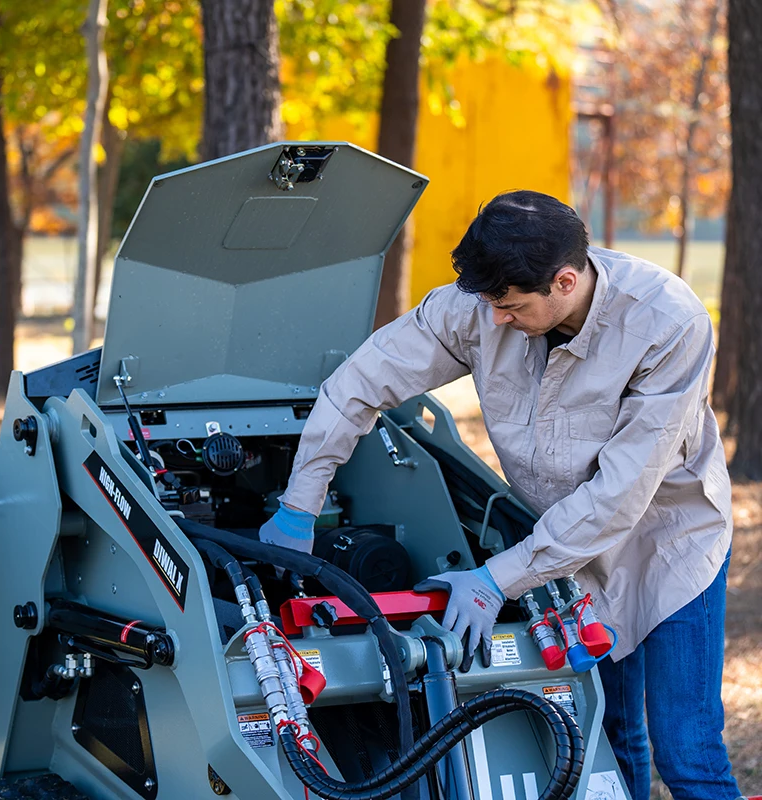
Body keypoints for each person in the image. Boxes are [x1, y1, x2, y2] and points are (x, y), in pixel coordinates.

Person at [259, 190, 740, 800]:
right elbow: (360, 381)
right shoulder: (481, 304)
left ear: (564, 281)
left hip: (670, 547)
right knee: (610, 738)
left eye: (508, 306)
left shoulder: (667, 323)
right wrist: (301, 501)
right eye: (486, 302)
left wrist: (495, 579)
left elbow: (620, 496)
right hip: (565, 549)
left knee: (687, 750)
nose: (493, 321)